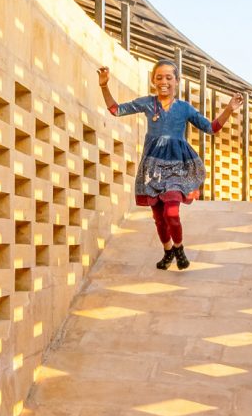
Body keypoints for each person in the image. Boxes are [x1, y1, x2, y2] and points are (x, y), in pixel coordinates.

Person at [98, 59, 236, 269]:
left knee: (171, 212)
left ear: (177, 81)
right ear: (153, 81)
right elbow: (116, 110)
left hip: (176, 166)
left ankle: (179, 248)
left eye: (169, 77)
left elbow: (211, 128)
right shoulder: (147, 103)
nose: (164, 82)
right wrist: (104, 86)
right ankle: (168, 251)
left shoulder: (184, 108)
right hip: (152, 167)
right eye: (159, 77)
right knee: (159, 217)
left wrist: (229, 109)